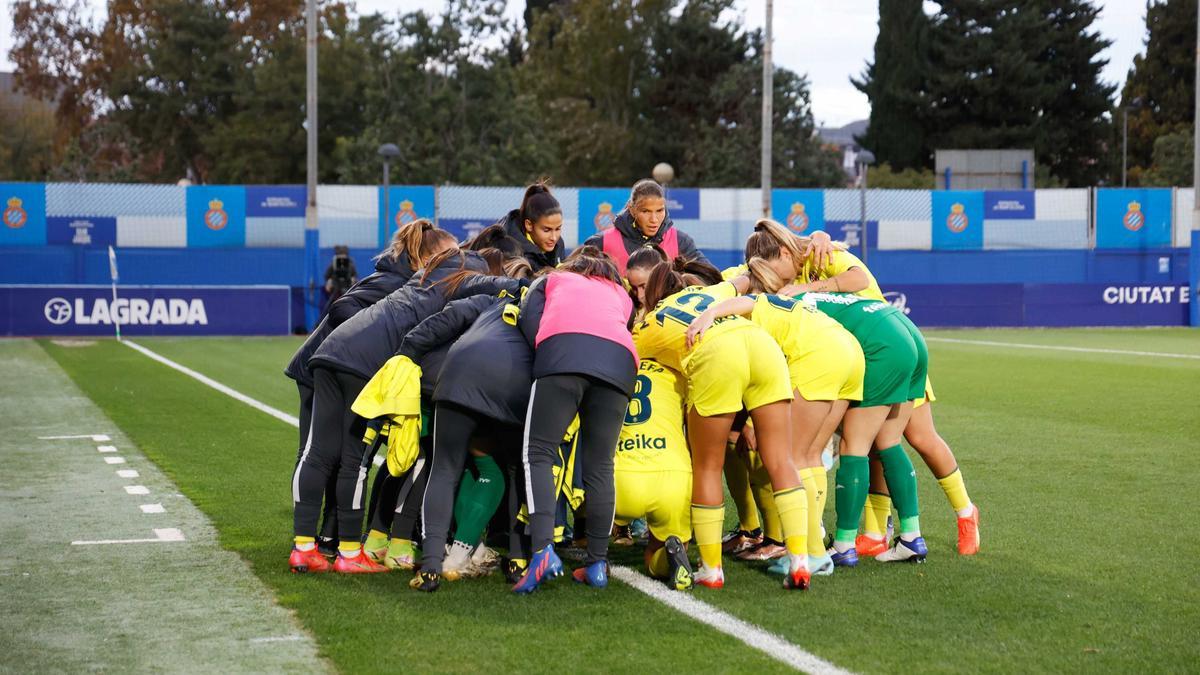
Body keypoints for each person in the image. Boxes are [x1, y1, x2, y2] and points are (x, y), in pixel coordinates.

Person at [747, 218, 980, 556]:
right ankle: (890, 534)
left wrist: (812, 287)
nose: (782, 279)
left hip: (878, 347)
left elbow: (859, 278)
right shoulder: (784, 275)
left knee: (888, 441)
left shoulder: (817, 255)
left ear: (784, 252)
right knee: (885, 441)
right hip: (890, 337)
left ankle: (957, 513)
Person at [287, 248, 523, 574]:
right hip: (368, 364)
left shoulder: (423, 277)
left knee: (318, 453)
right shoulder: (464, 280)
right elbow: (492, 285)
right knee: (355, 461)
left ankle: (303, 548)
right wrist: (533, 287)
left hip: (331, 351)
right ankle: (350, 553)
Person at [730, 246, 931, 564]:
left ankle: (844, 544)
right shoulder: (802, 294)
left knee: (855, 445)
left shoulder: (775, 305)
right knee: (889, 441)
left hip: (881, 343)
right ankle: (911, 536)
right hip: (904, 330)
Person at [633, 257, 812, 591]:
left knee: (706, 467)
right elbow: (744, 280)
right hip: (762, 347)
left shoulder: (651, 323)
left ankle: (712, 568)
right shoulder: (709, 293)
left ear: (655, 293)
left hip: (716, 356)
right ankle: (800, 559)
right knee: (780, 458)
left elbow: (623, 354)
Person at [284, 219, 455, 554]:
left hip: (332, 364)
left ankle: (322, 540)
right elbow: (341, 307)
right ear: (427, 259)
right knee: (328, 455)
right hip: (323, 368)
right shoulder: (395, 282)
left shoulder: (408, 282)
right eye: (450, 259)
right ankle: (318, 539)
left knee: (335, 457)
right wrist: (372, 334)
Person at [686, 290, 865, 576]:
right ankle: (815, 549)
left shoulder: (747, 311)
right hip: (849, 349)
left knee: (793, 458)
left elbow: (749, 301)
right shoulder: (783, 306)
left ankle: (812, 552)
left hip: (819, 354)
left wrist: (710, 313)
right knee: (811, 456)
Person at [511, 248, 638, 594]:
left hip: (563, 353)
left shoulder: (554, 279)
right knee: (600, 466)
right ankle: (597, 561)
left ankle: (541, 552)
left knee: (537, 453)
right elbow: (623, 326)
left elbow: (528, 320)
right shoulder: (621, 293)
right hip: (621, 363)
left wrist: (549, 354)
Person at [394, 291, 534, 592]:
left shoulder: (491, 301)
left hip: (454, 376)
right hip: (508, 386)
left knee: (444, 470)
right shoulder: (544, 307)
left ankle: (431, 566)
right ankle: (515, 560)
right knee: (509, 471)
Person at [613, 358, 694, 590]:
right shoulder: (679, 374)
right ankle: (669, 553)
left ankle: (587, 543)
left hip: (622, 476)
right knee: (654, 555)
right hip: (672, 475)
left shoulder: (614, 364)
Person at [582, 179, 709, 273]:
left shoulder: (681, 242)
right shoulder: (601, 243)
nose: (654, 220)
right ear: (632, 210)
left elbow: (710, 278)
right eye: (646, 211)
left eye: (659, 211)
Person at [498, 182, 565, 270]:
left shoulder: (559, 245)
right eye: (546, 230)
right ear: (529, 225)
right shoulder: (508, 250)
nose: (554, 238)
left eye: (558, 229)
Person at [323, 245, 359, 311]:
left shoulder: (350, 265)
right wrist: (329, 281)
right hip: (335, 290)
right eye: (340, 257)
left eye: (343, 256)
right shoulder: (333, 265)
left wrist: (353, 280)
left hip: (347, 288)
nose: (342, 259)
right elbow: (327, 276)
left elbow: (355, 276)